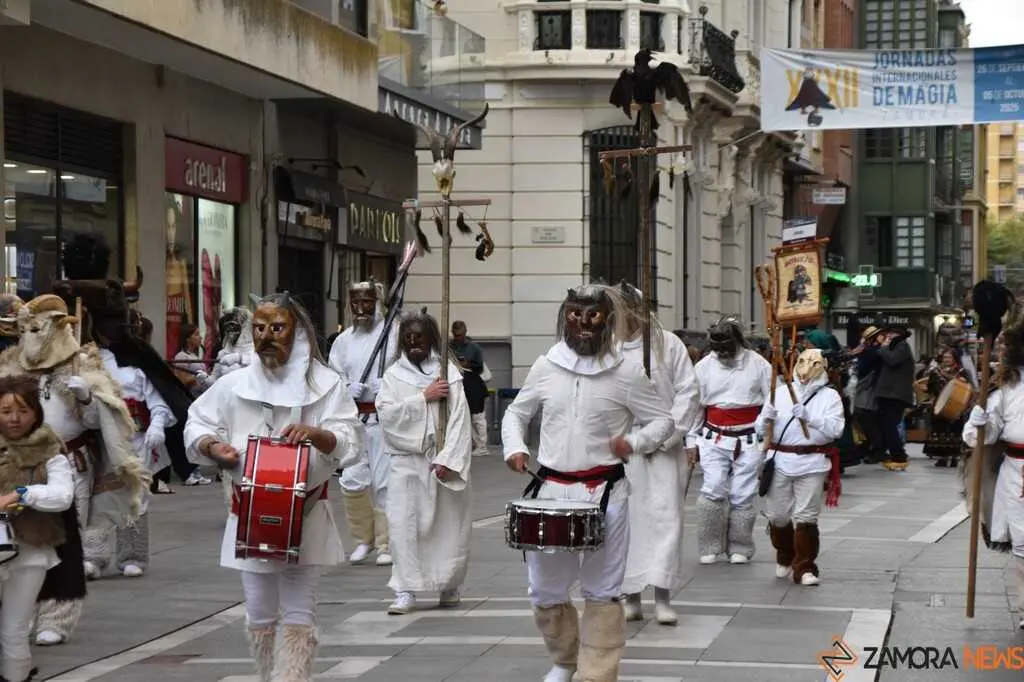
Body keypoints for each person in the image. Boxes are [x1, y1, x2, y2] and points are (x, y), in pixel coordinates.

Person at [184, 293, 362, 681]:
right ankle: (268, 675)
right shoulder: (233, 384)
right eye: (260, 328)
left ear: (296, 331)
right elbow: (197, 423)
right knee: (259, 610)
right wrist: (213, 447)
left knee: (300, 610)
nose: (267, 336)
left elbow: (349, 439)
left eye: (277, 328)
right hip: (249, 514)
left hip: (307, 512)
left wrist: (318, 434)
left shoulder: (326, 383)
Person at [502, 284, 673, 682]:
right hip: (550, 492)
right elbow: (516, 414)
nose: (582, 325)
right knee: (544, 592)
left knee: (602, 591)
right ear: (564, 317)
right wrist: (514, 447)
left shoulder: (627, 372)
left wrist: (633, 442)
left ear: (607, 320)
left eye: (592, 316)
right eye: (574, 315)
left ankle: (597, 673)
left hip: (605, 494)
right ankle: (565, 660)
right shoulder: (546, 366)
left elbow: (663, 421)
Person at [0, 294, 147, 647]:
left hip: (69, 462)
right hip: (16, 463)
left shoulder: (82, 365)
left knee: (64, 541)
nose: (30, 335)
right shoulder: (10, 364)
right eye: (24, 329)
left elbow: (103, 420)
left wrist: (86, 398)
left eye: (37, 328)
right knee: (21, 540)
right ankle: (24, 610)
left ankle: (57, 616)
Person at [376, 309, 472, 615]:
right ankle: (405, 588)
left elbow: (460, 420)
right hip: (406, 463)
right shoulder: (393, 376)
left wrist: (448, 458)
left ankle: (448, 584)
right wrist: (423, 397)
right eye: (408, 336)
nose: (414, 341)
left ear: (432, 338)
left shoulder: (449, 373)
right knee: (403, 525)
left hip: (441, 462)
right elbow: (387, 416)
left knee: (447, 527)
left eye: (420, 335)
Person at [617, 285, 701, 626]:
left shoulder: (669, 344)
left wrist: (668, 434)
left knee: (667, 519)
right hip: (626, 445)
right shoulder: (610, 349)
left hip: (665, 447)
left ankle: (663, 595)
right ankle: (630, 593)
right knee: (627, 522)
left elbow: (688, 390)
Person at [0, 376, 75, 682]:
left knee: (14, 629)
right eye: (5, 411)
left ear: (36, 413)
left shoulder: (50, 450)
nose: (15, 419)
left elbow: (62, 496)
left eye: (23, 410)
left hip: (30, 550)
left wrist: (22, 494)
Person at [758, 349, 845, 586]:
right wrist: (764, 419)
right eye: (803, 362)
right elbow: (759, 430)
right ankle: (786, 554)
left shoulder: (830, 397)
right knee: (778, 515)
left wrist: (810, 417)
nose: (806, 367)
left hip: (812, 462)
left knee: (806, 516)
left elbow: (836, 430)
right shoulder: (780, 392)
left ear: (823, 366)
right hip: (780, 459)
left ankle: (805, 567)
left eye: (813, 362)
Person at [689, 316, 772, 565]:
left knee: (743, 493)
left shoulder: (759, 365)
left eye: (728, 345)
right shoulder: (703, 367)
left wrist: (765, 429)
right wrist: (690, 441)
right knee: (713, 487)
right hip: (713, 436)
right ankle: (709, 544)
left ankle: (740, 546)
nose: (723, 351)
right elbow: (694, 406)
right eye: (718, 346)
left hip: (749, 437)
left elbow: (771, 399)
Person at [328, 280, 399, 566]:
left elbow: (408, 369)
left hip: (383, 419)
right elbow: (333, 375)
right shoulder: (342, 341)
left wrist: (391, 382)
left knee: (384, 482)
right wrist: (346, 386)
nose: (361, 309)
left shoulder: (392, 334)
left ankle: (386, 543)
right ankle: (362, 539)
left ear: (377, 303)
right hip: (354, 419)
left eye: (367, 302)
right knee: (352, 480)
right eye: (356, 303)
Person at [963, 318, 1024, 630]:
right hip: (1017, 471)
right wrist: (979, 420)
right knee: (1023, 541)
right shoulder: (1004, 388)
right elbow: (979, 438)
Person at [873, 327, 916, 471]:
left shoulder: (902, 346)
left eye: (891, 334)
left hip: (894, 394)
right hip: (889, 394)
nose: (888, 336)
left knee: (890, 425)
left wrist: (883, 347)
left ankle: (899, 455)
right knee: (886, 425)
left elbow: (892, 360)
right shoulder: (897, 346)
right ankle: (894, 452)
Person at [924, 346, 971, 468]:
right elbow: (930, 388)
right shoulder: (936, 371)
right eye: (945, 357)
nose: (947, 359)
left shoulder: (961, 371)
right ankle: (942, 458)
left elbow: (968, 387)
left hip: (957, 405)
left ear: (955, 358)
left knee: (954, 431)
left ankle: (954, 457)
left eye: (949, 357)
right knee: (940, 430)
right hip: (939, 404)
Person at [451, 320, 489, 456]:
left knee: (478, 417)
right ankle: (472, 444)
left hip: (473, 383)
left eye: (460, 335)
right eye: (456, 335)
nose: (458, 338)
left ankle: (482, 445)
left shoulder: (474, 348)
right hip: (458, 384)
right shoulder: (449, 347)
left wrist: (468, 364)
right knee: (464, 416)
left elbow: (480, 367)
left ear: (465, 333)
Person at [173, 323, 213, 398]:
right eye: (196, 334)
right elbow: (181, 380)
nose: (200, 337)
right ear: (187, 338)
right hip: (190, 398)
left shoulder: (194, 356)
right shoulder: (181, 356)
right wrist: (198, 377)